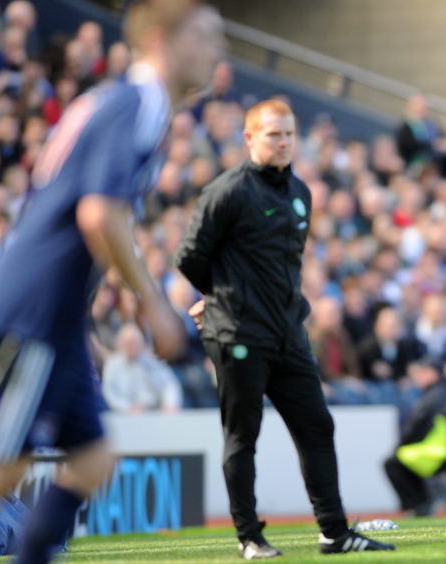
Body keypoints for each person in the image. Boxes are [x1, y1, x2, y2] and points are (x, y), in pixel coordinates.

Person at [0, 1, 222, 561]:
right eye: (206, 37)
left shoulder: (132, 104)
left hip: (60, 318)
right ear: (163, 41)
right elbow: (97, 215)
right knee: (5, 470)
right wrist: (153, 305)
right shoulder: (137, 103)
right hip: (35, 310)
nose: (218, 52)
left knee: (94, 460)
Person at [174, 99, 395, 558]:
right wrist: (218, 297)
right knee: (243, 436)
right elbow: (189, 256)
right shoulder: (227, 191)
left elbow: (285, 264)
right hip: (237, 333)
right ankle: (249, 538)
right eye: (274, 134)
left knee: (317, 425)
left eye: (290, 134)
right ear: (249, 138)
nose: (284, 142)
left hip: (288, 332)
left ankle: (335, 534)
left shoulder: (300, 191)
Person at [383, 357, 446, 516]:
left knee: (393, 462)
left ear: (433, 373)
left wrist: (399, 446)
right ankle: (423, 504)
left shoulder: (433, 397)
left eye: (421, 373)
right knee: (408, 462)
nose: (417, 377)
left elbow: (415, 427)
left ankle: (418, 507)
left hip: (442, 454)